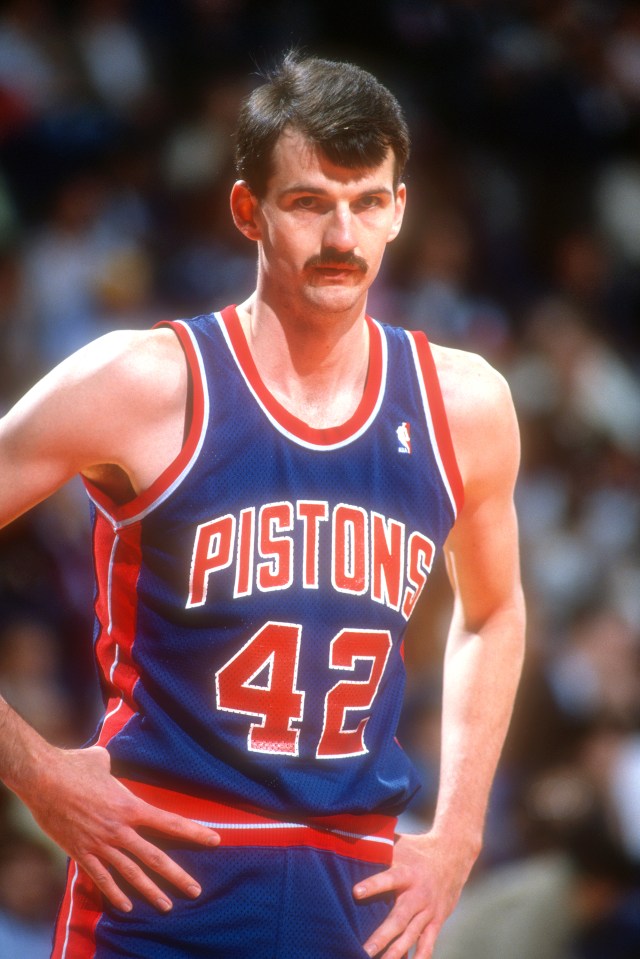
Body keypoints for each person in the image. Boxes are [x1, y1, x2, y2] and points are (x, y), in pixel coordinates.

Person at [0, 52, 526, 959]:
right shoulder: (140, 381)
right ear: (248, 210)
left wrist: (458, 836)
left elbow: (494, 608)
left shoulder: (466, 404)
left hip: (359, 893)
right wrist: (36, 772)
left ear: (401, 208)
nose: (342, 236)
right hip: (159, 875)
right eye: (310, 201)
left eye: (367, 201)